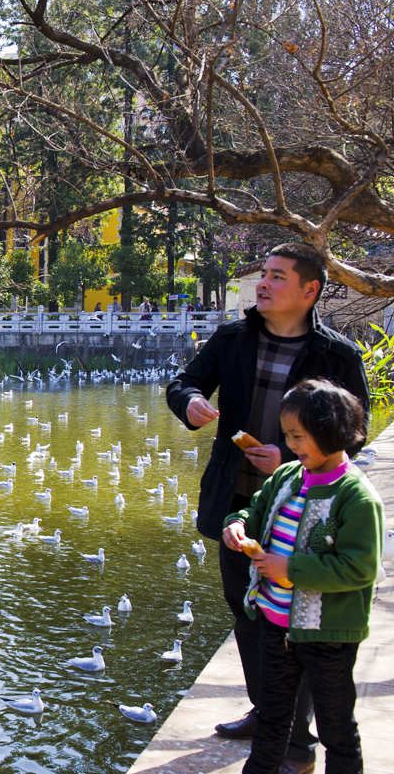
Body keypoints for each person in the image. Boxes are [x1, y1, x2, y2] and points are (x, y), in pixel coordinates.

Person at [166, 242, 369, 774]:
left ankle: (297, 744)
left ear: (309, 290)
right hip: (239, 502)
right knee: (249, 610)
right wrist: (189, 403)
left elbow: (357, 433)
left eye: (277, 276)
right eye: (262, 274)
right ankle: (268, 713)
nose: (263, 284)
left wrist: (294, 456)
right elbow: (183, 381)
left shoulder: (337, 356)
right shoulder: (233, 338)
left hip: (304, 508)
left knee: (294, 626)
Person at [222, 379, 383, 774]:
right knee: (273, 718)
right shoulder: (287, 477)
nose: (290, 445)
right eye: (288, 435)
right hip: (277, 628)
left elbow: (359, 568)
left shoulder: (356, 497)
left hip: (329, 637)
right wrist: (237, 526)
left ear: (330, 432)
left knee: (336, 726)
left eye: (298, 435)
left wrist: (290, 568)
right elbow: (254, 513)